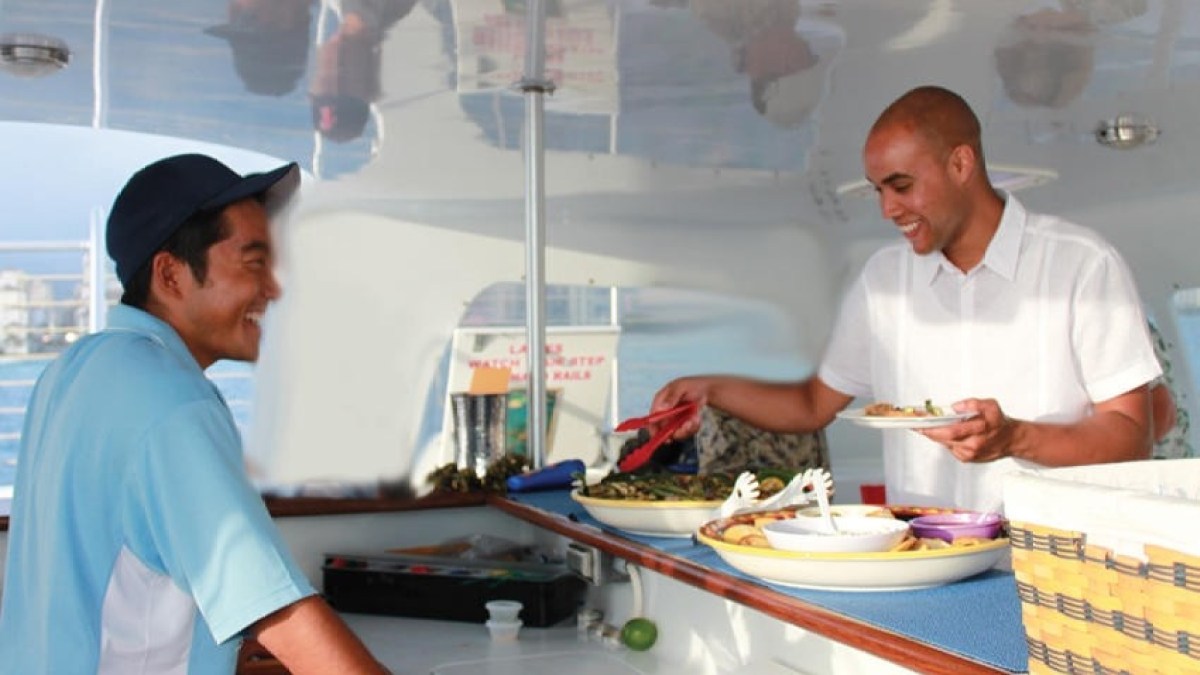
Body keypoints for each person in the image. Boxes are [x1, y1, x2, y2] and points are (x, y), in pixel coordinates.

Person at [648, 85, 1161, 512]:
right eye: (878, 190)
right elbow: (812, 405)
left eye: (901, 186)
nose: (888, 209)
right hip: (923, 557)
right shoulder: (884, 279)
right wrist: (709, 388)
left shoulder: (1080, 263)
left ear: (961, 163)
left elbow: (1131, 437)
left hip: (1052, 567)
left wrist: (1015, 439)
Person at [0, 154, 388, 674]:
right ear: (171, 274)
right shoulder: (172, 401)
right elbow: (281, 614)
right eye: (254, 263)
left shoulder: (73, 370)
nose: (275, 287)